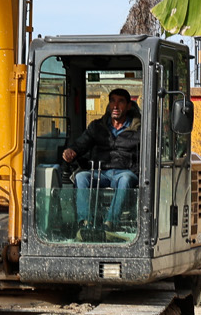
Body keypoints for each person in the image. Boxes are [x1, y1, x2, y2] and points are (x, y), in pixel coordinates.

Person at [60, 88, 141, 228]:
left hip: (125, 172)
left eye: (120, 101)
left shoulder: (139, 130)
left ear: (128, 105)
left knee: (126, 179)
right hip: (100, 172)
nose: (115, 106)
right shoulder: (97, 127)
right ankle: (85, 223)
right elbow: (81, 144)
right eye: (112, 101)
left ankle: (110, 223)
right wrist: (71, 151)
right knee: (81, 177)